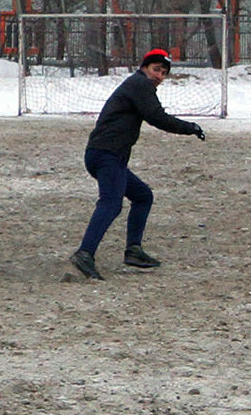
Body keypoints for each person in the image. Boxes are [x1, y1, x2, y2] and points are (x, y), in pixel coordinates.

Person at [70, 48, 204, 280]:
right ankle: (84, 253)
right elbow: (158, 117)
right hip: (105, 154)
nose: (159, 76)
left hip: (110, 155)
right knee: (111, 204)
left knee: (143, 196)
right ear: (144, 68)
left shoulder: (138, 84)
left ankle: (134, 251)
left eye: (163, 72)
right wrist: (189, 127)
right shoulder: (139, 85)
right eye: (155, 69)